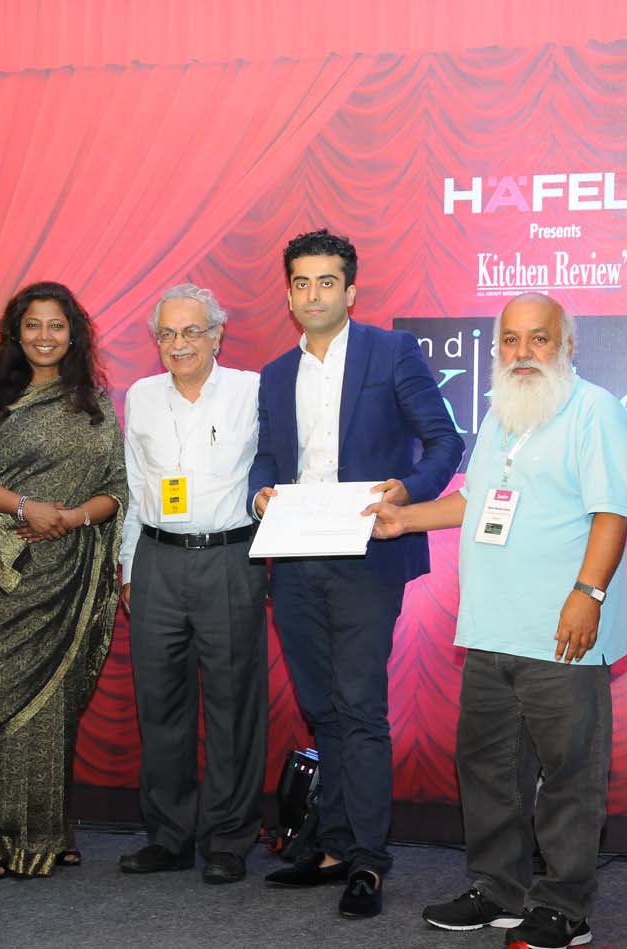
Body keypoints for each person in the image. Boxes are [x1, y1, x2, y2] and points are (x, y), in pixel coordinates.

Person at [368, 292, 627, 949]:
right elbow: (474, 499)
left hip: (562, 630)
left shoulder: (594, 410)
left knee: (569, 774)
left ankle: (565, 907)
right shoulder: (501, 415)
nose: (523, 353)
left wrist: (587, 594)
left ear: (566, 346)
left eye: (538, 338)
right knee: (488, 770)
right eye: (510, 340)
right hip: (490, 627)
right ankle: (498, 892)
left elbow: (613, 512)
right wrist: (404, 520)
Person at [249, 229, 463, 918]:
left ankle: (368, 858)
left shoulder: (391, 351)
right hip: (294, 554)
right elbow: (268, 456)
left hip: (369, 551)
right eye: (301, 283)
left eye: (326, 282)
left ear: (350, 290)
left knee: (360, 706)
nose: (313, 294)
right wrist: (258, 493)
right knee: (320, 707)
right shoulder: (274, 373)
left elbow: (446, 439)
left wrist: (409, 489)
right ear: (288, 295)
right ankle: (334, 847)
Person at [0, 281, 126, 878]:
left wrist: (71, 518)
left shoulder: (94, 404)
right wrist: (27, 507)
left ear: (73, 335)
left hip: (69, 574)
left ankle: (47, 830)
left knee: (53, 712)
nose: (44, 336)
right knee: (0, 709)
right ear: (15, 334)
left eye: (56, 325)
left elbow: (116, 489)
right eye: (33, 325)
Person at [115, 284, 267, 885]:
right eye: (168, 334)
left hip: (230, 558)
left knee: (233, 705)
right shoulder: (141, 397)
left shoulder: (253, 390)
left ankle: (228, 838)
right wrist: (130, 567)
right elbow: (134, 487)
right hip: (156, 559)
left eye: (192, 331)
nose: (180, 344)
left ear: (217, 335)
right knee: (160, 705)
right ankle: (169, 836)